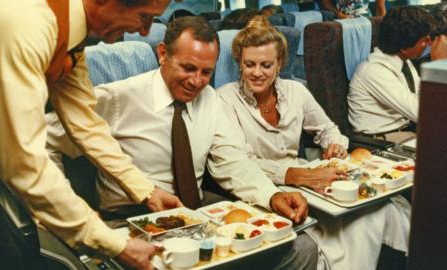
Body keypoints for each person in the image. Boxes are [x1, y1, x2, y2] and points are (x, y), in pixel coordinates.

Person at [47, 16, 318, 270]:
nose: (196, 82)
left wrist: (271, 195)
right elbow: (46, 140)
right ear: (163, 53)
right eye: (188, 68)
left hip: (197, 214)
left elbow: (233, 162)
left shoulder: (210, 99)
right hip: (130, 218)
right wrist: (72, 206)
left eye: (206, 72)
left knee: (302, 247)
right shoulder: (119, 98)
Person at [0, 0, 182, 269]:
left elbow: (85, 121)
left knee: (8, 257)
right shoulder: (24, 23)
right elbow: (24, 166)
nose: (144, 31)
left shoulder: (68, 31)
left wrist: (145, 190)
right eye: (143, 17)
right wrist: (114, 243)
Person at [218, 16, 411, 270]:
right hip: (262, 188)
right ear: (239, 64)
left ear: (279, 64)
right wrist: (294, 175)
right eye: (249, 64)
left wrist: (335, 145)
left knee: (377, 210)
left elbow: (328, 128)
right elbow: (239, 164)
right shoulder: (224, 99)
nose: (257, 73)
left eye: (266, 65)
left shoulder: (296, 92)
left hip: (307, 178)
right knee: (347, 225)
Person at [348, 6, 447, 144]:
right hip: (384, 140)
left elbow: (424, 99)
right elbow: (426, 114)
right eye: (424, 40)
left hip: (408, 132)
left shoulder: (405, 63)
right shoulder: (375, 71)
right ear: (405, 48)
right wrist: (440, 65)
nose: (429, 44)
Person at [320, 0, 386, 19]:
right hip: (342, 19)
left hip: (365, 21)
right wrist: (338, 14)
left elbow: (380, 9)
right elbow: (326, 2)